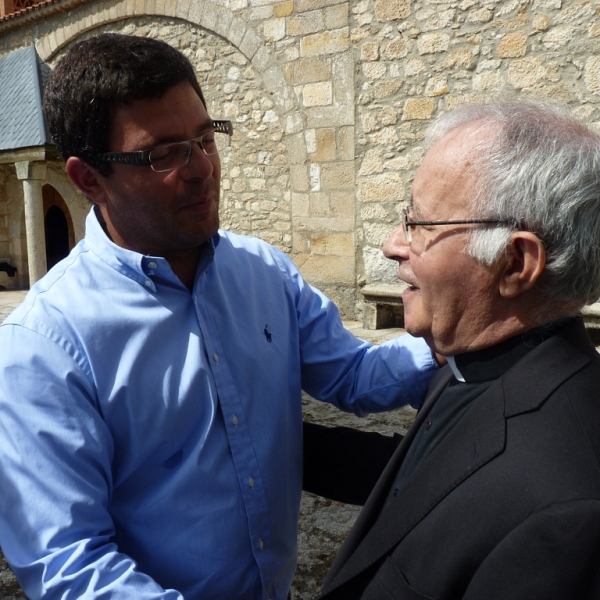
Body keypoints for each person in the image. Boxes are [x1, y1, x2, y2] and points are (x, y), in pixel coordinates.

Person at [0, 33, 438, 600]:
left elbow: (353, 375)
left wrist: (457, 336)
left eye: (206, 138)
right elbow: (68, 563)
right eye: (163, 153)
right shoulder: (45, 346)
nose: (202, 168)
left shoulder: (265, 273)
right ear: (89, 180)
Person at [305, 100, 600, 599]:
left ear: (514, 263)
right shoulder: (470, 362)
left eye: (420, 225)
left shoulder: (569, 513)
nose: (392, 244)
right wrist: (264, 442)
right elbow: (426, 483)